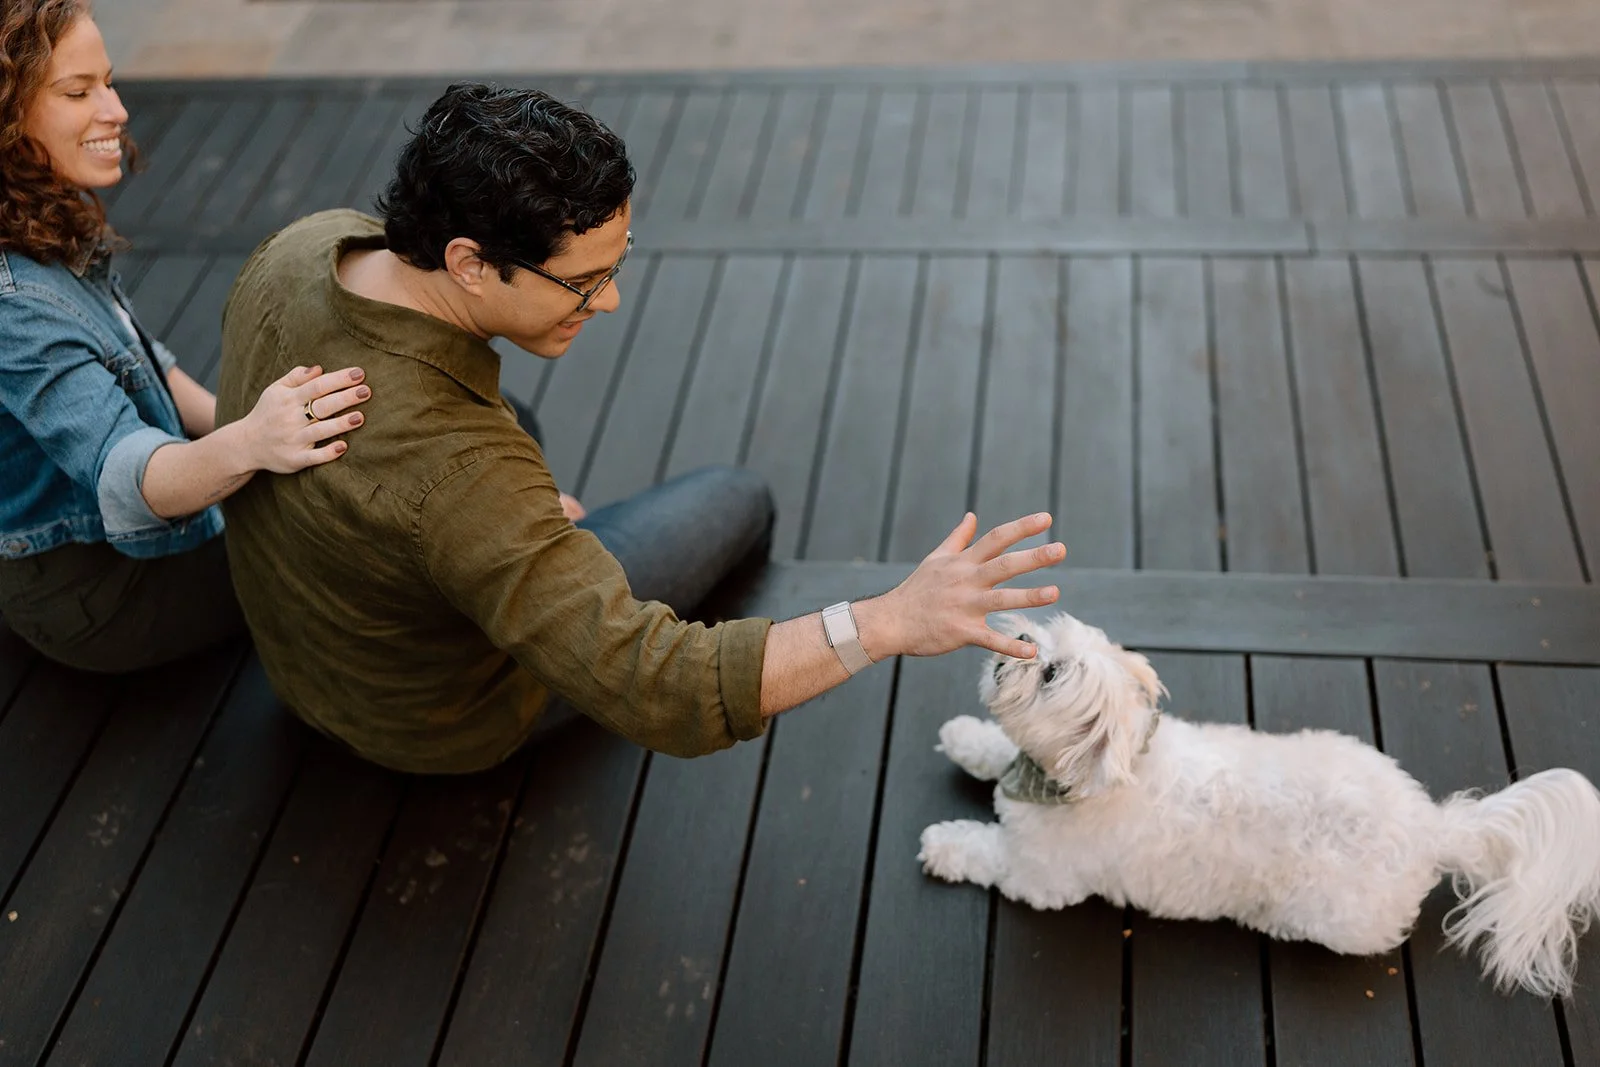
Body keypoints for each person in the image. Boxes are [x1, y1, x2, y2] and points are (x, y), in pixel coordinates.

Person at [215, 82, 1064, 775]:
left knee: (522, 426)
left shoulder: (306, 247)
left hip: (305, 653)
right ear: (470, 262)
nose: (609, 301)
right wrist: (890, 620)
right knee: (739, 500)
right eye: (582, 282)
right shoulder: (465, 478)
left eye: (617, 265)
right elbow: (668, 685)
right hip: (431, 722)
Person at [0, 0, 371, 672]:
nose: (116, 110)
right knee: (361, 533)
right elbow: (127, 478)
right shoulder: (14, 304)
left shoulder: (37, 221)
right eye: (79, 92)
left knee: (358, 463)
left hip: (134, 537)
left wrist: (265, 424)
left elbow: (147, 366)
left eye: (107, 82)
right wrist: (257, 440)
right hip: (102, 593)